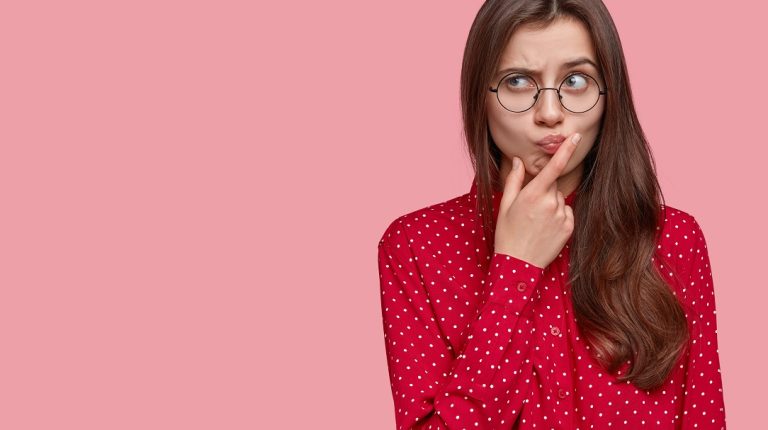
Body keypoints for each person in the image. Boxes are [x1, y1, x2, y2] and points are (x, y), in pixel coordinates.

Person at [376, 0, 726, 428]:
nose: (550, 113)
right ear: (479, 95)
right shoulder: (416, 246)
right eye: (518, 81)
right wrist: (514, 269)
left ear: (608, 94)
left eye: (576, 80)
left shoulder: (672, 239)